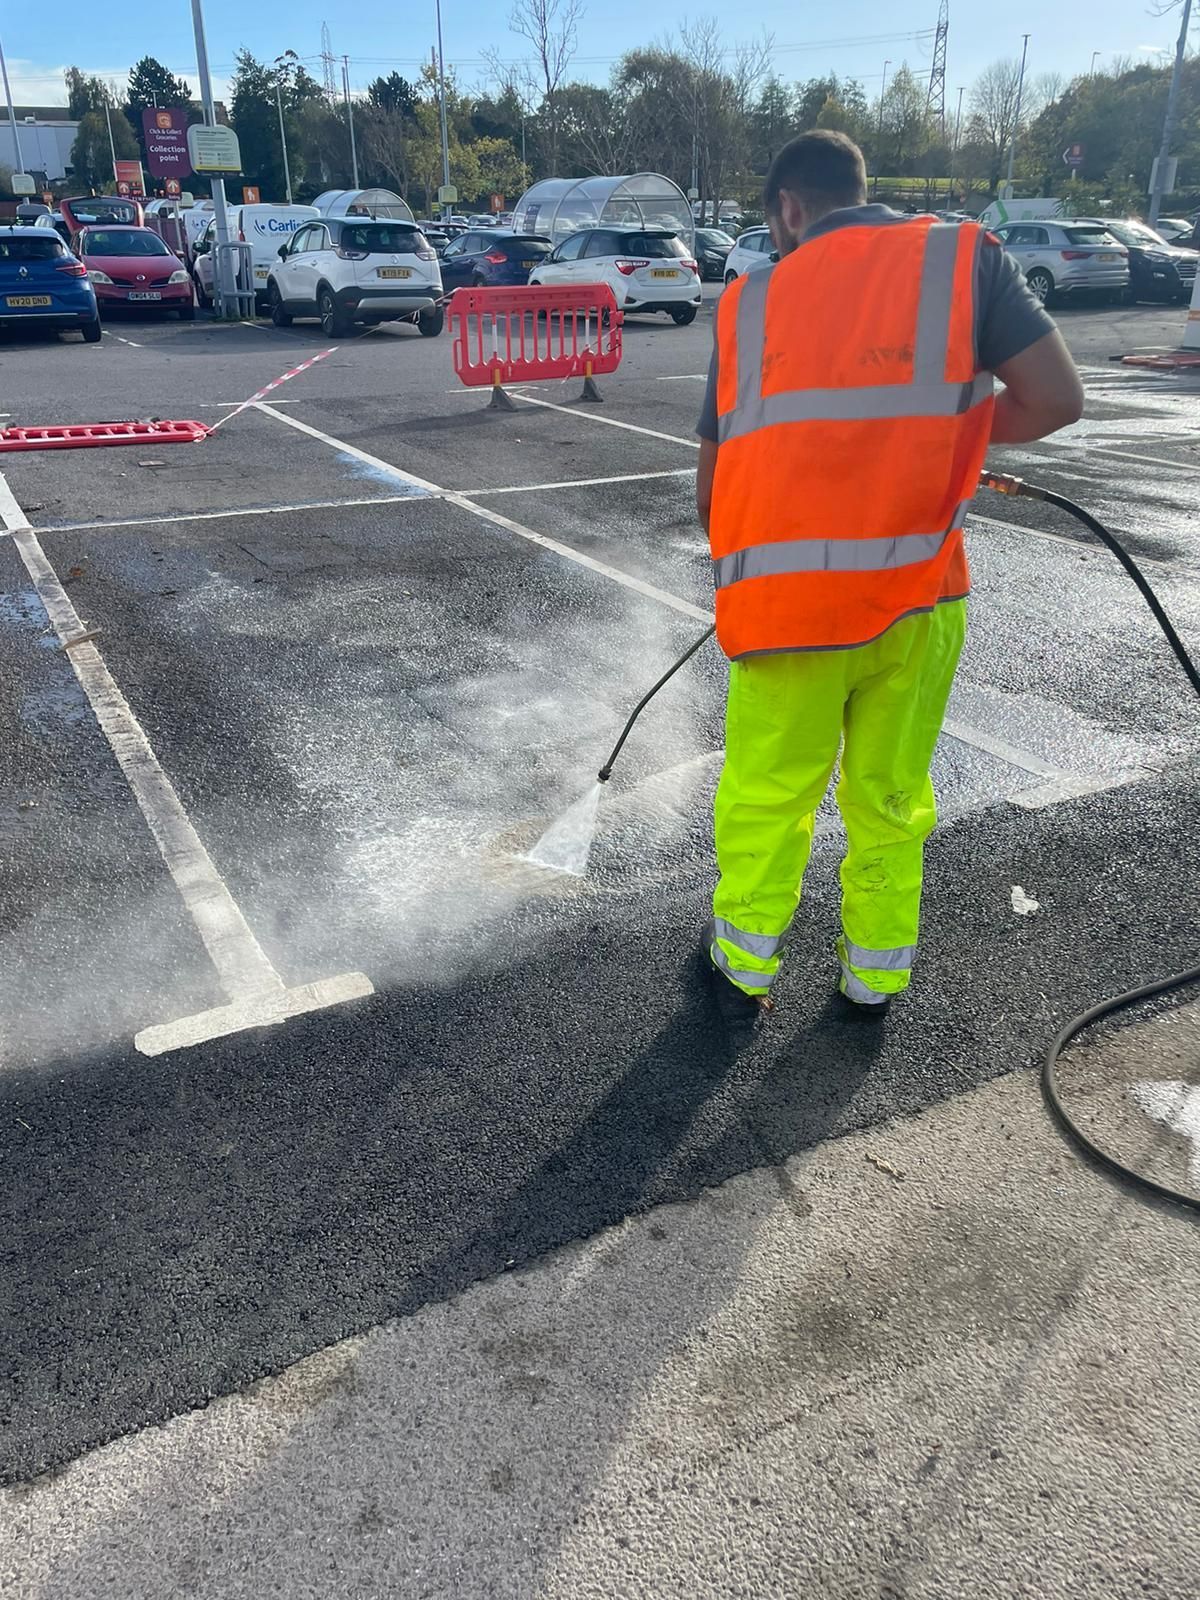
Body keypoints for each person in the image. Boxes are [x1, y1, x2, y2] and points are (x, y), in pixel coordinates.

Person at [695, 130, 1084, 1022]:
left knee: (768, 795)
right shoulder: (961, 260)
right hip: (920, 597)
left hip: (786, 611)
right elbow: (1056, 400)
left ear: (787, 209)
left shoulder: (748, 303)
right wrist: (946, 440)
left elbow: (713, 487)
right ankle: (873, 976)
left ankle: (744, 964)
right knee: (891, 797)